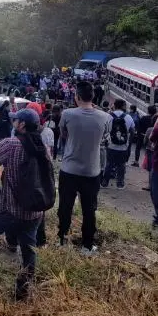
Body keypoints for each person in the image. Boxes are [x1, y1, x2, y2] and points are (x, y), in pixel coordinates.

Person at [0, 108, 51, 299]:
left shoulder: (11, 144)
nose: (14, 123)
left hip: (10, 210)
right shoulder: (43, 146)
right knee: (28, 250)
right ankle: (23, 291)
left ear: (22, 125)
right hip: (34, 212)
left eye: (16, 121)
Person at [57, 81, 111, 255]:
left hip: (69, 169)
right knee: (89, 209)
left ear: (77, 97)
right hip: (92, 170)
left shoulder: (67, 114)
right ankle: (87, 246)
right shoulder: (104, 117)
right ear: (93, 97)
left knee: (65, 206)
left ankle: (62, 239)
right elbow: (103, 137)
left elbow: (64, 134)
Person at [103, 99, 135, 189]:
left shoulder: (108, 116)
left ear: (114, 105)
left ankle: (105, 182)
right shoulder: (128, 117)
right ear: (123, 106)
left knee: (109, 163)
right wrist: (128, 143)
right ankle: (120, 183)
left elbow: (104, 130)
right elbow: (132, 131)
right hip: (123, 146)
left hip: (110, 145)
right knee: (121, 164)